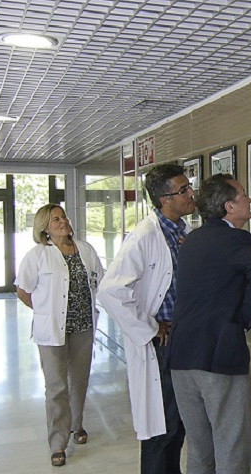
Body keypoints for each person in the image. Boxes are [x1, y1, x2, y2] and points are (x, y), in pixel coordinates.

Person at [168, 174, 251, 474]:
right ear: (230, 206)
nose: (250, 199)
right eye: (244, 194)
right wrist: (241, 320)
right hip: (219, 357)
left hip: (181, 356)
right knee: (231, 446)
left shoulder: (193, 239)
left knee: (201, 449)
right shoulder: (237, 239)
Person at [97, 162, 193, 474]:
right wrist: (150, 329)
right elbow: (110, 291)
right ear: (165, 198)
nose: (191, 193)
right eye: (184, 190)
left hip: (182, 340)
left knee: (177, 425)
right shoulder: (143, 237)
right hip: (161, 345)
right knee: (160, 429)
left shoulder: (181, 232)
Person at [15, 204, 105, 467]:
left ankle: (77, 425)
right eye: (56, 219)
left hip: (83, 327)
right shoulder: (37, 255)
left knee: (79, 380)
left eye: (64, 216)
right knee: (56, 387)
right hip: (52, 330)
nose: (63, 221)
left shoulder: (85, 249)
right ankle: (57, 442)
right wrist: (43, 311)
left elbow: (99, 279)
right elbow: (23, 291)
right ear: (44, 226)